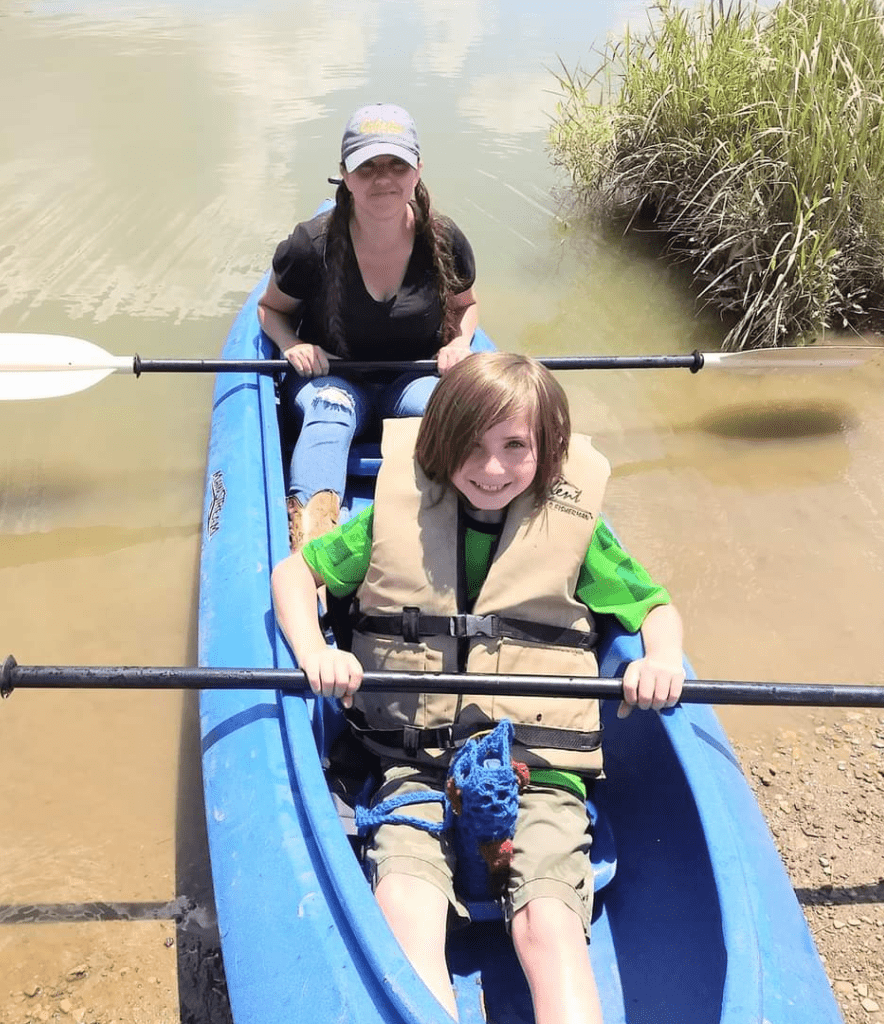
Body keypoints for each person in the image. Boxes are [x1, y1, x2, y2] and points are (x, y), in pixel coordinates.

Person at [271, 352, 686, 1024]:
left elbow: (656, 608)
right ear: (438, 443)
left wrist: (660, 659)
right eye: (470, 445)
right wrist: (316, 650)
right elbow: (295, 578)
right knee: (406, 905)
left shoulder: (577, 531)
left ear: (547, 449)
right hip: (412, 763)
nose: (491, 468)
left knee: (547, 924)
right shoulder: (389, 521)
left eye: (514, 447)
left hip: (541, 773)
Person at [257, 102, 478, 549]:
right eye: (367, 166)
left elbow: (467, 305)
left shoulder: (444, 239)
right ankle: (315, 540)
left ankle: (429, 535)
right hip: (334, 378)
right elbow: (270, 309)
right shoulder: (310, 245)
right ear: (345, 174)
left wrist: (461, 342)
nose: (383, 179)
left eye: (396, 164)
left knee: (437, 411)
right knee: (331, 412)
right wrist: (292, 343)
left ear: (417, 170)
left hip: (413, 377)